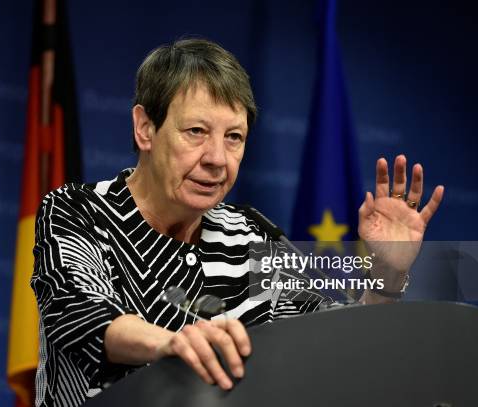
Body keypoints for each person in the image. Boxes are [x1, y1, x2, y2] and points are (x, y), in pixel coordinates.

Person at [31, 38, 444, 407]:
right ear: (145, 128)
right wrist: (174, 344)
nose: (216, 159)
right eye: (196, 131)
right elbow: (81, 317)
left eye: (234, 137)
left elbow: (330, 340)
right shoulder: (75, 210)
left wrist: (386, 279)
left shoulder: (251, 234)